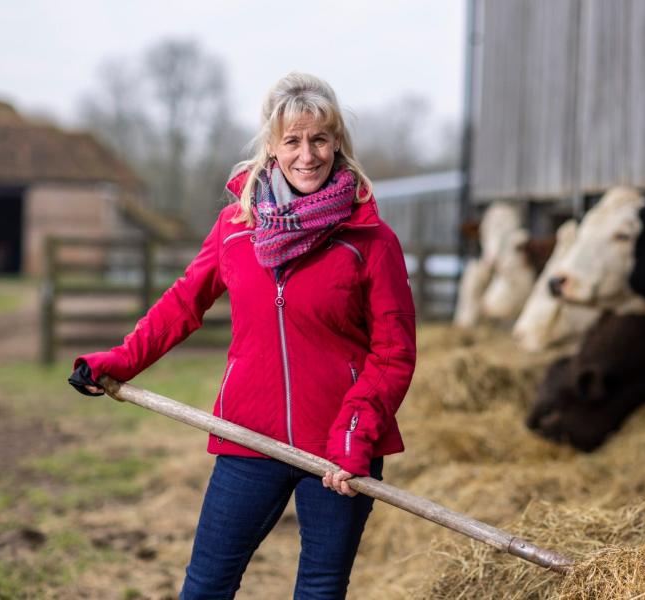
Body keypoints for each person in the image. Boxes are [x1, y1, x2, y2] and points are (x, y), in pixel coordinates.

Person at [68, 72, 417, 599]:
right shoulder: (237, 227)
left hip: (339, 449)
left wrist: (356, 431)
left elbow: (393, 352)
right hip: (248, 437)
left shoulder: (371, 240)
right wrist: (120, 360)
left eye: (320, 138)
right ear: (272, 146)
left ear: (337, 142)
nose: (308, 154)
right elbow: (184, 302)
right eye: (293, 140)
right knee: (206, 587)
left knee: (321, 590)